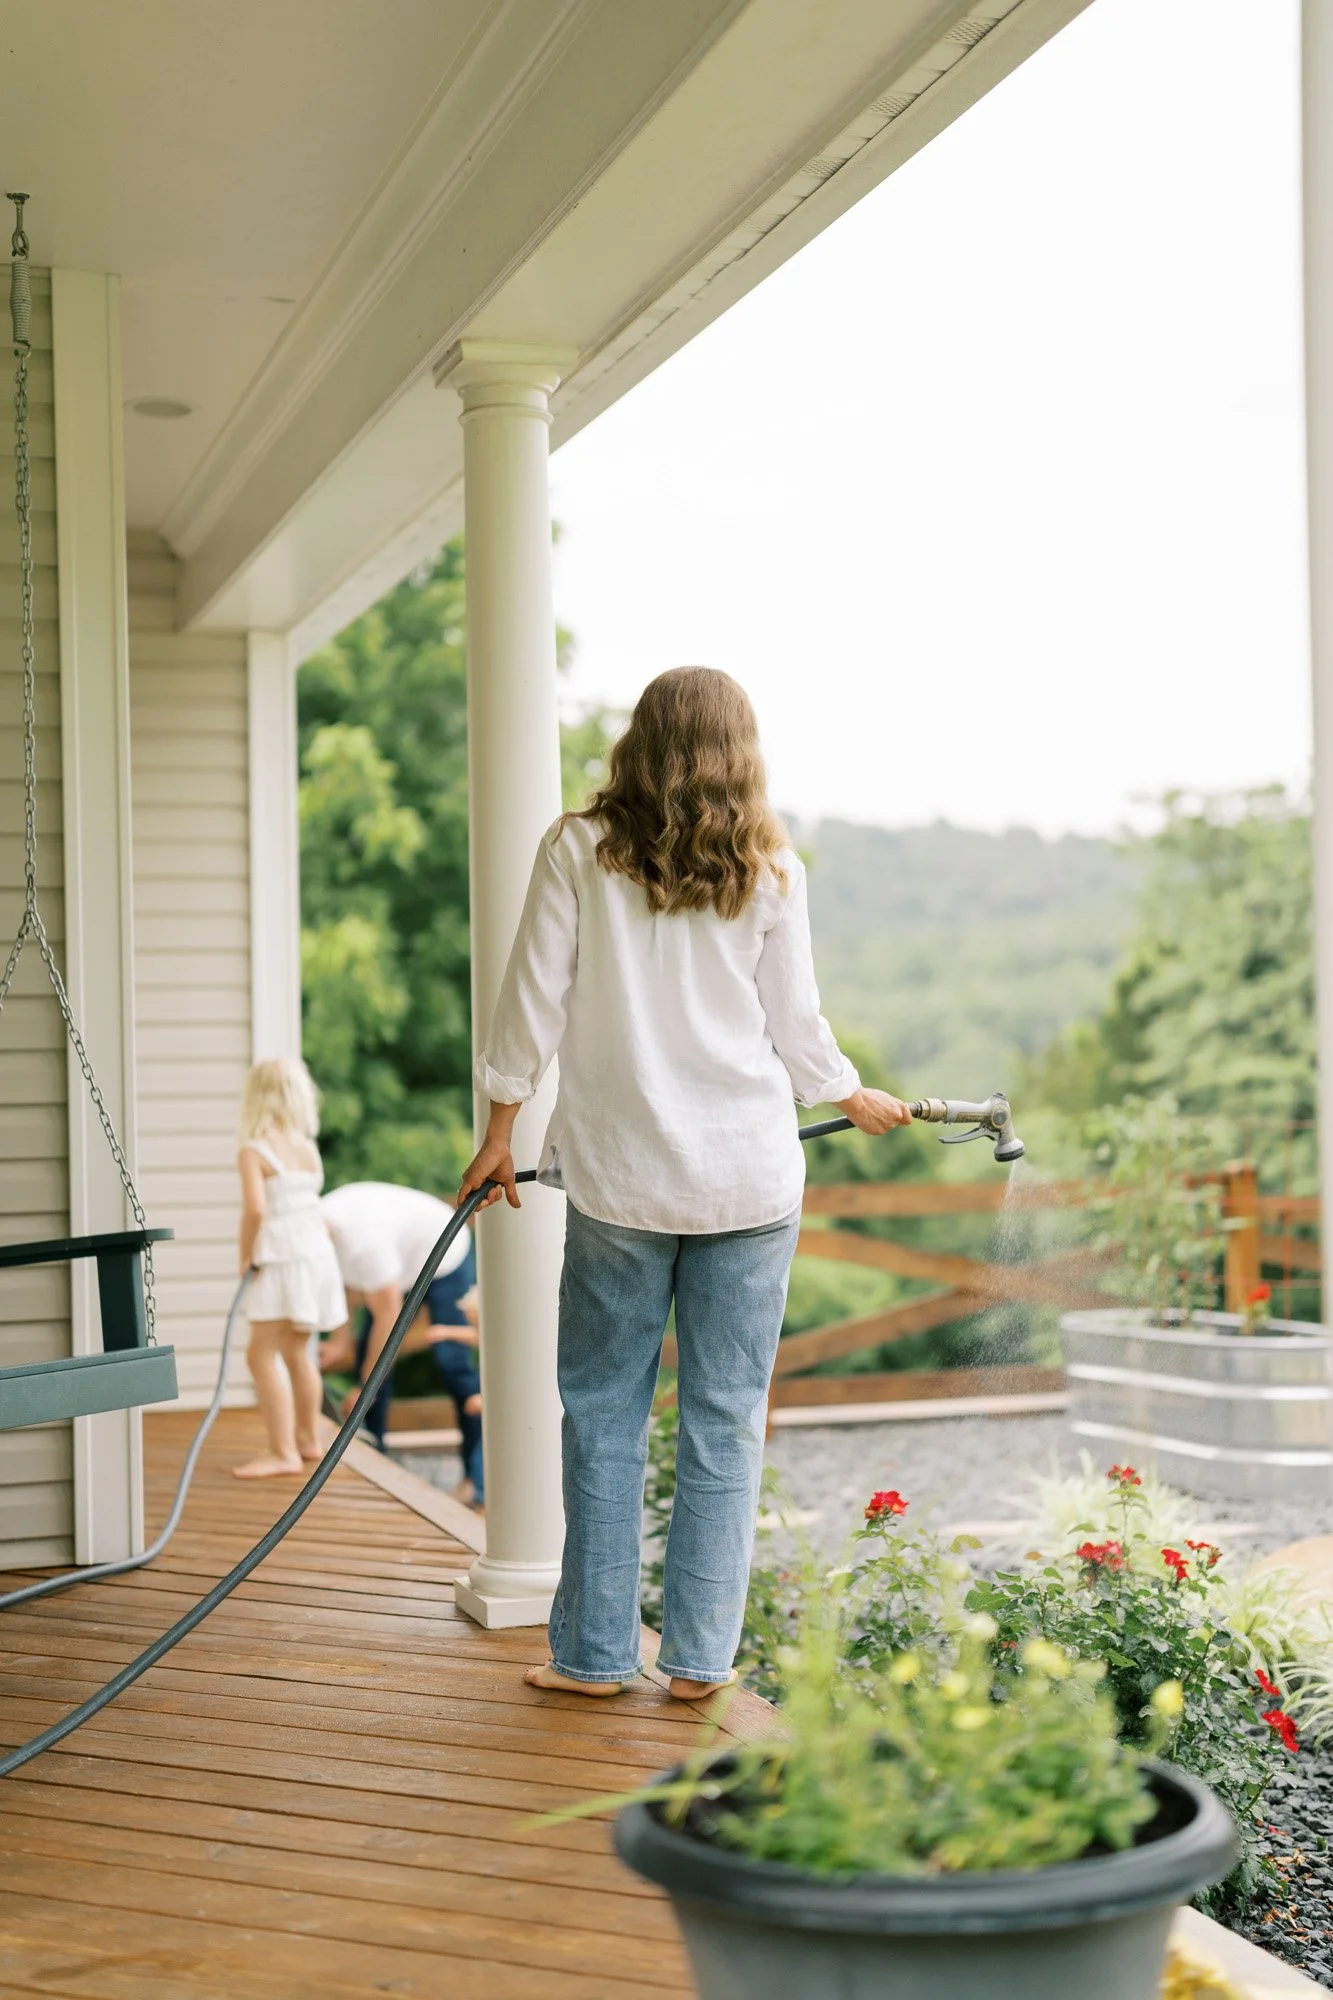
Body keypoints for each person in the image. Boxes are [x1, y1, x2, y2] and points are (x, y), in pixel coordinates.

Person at [459, 666, 910, 1701]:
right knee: (724, 1418)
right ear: (738, 753)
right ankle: (701, 1661)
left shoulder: (578, 847)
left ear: (639, 742)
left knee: (604, 1414)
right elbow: (798, 1031)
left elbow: (529, 995)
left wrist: (499, 1126)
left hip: (622, 1178)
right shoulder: (769, 865)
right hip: (749, 1179)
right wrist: (848, 1095)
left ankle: (591, 1657)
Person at [319, 1181, 484, 1501]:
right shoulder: (317, 1230)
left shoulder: (362, 1243)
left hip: (445, 1249)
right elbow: (347, 1290)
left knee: (452, 1361)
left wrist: (365, 1387)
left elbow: (388, 1321)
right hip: (401, 1262)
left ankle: (476, 1480)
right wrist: (339, 1341)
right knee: (369, 1350)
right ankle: (372, 1463)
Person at [234, 1057, 347, 1480]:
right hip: (315, 1257)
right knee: (299, 1352)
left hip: (281, 1257)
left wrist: (245, 1256)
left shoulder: (254, 1151)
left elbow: (255, 1210)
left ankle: (281, 1451)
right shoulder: (306, 1147)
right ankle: (308, 1440)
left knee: (260, 1353)